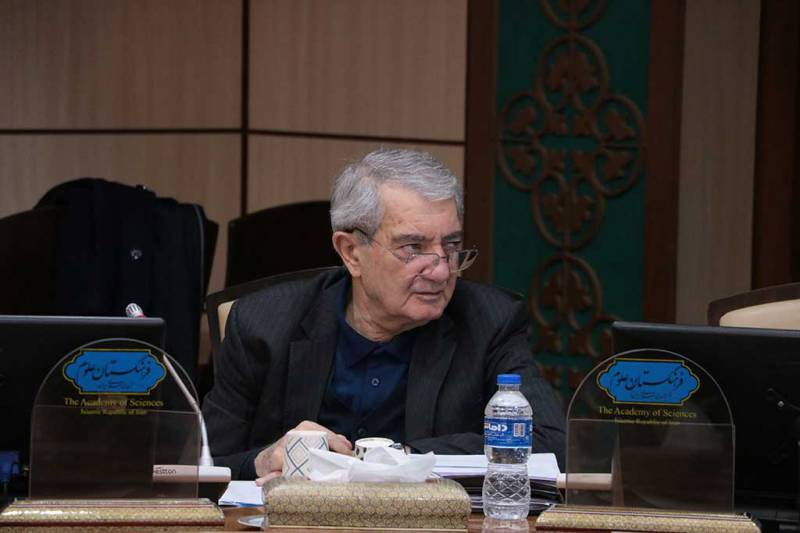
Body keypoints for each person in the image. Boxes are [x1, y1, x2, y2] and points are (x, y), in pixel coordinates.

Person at [202, 148, 566, 482]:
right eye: (413, 247)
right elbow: (204, 465)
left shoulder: (489, 321)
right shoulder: (265, 323)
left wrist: (392, 461)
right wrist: (263, 461)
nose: (441, 270)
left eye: (451, 245)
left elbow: (551, 445)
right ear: (351, 252)